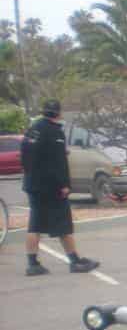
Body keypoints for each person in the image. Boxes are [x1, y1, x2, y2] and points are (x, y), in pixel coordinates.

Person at [21, 99, 100, 276]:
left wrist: (30, 174)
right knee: (63, 225)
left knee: (35, 225)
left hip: (32, 184)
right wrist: (64, 185)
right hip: (51, 187)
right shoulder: (55, 132)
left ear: (43, 111)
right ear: (58, 113)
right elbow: (58, 163)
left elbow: (26, 155)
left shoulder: (33, 129)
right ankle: (75, 261)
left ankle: (32, 264)